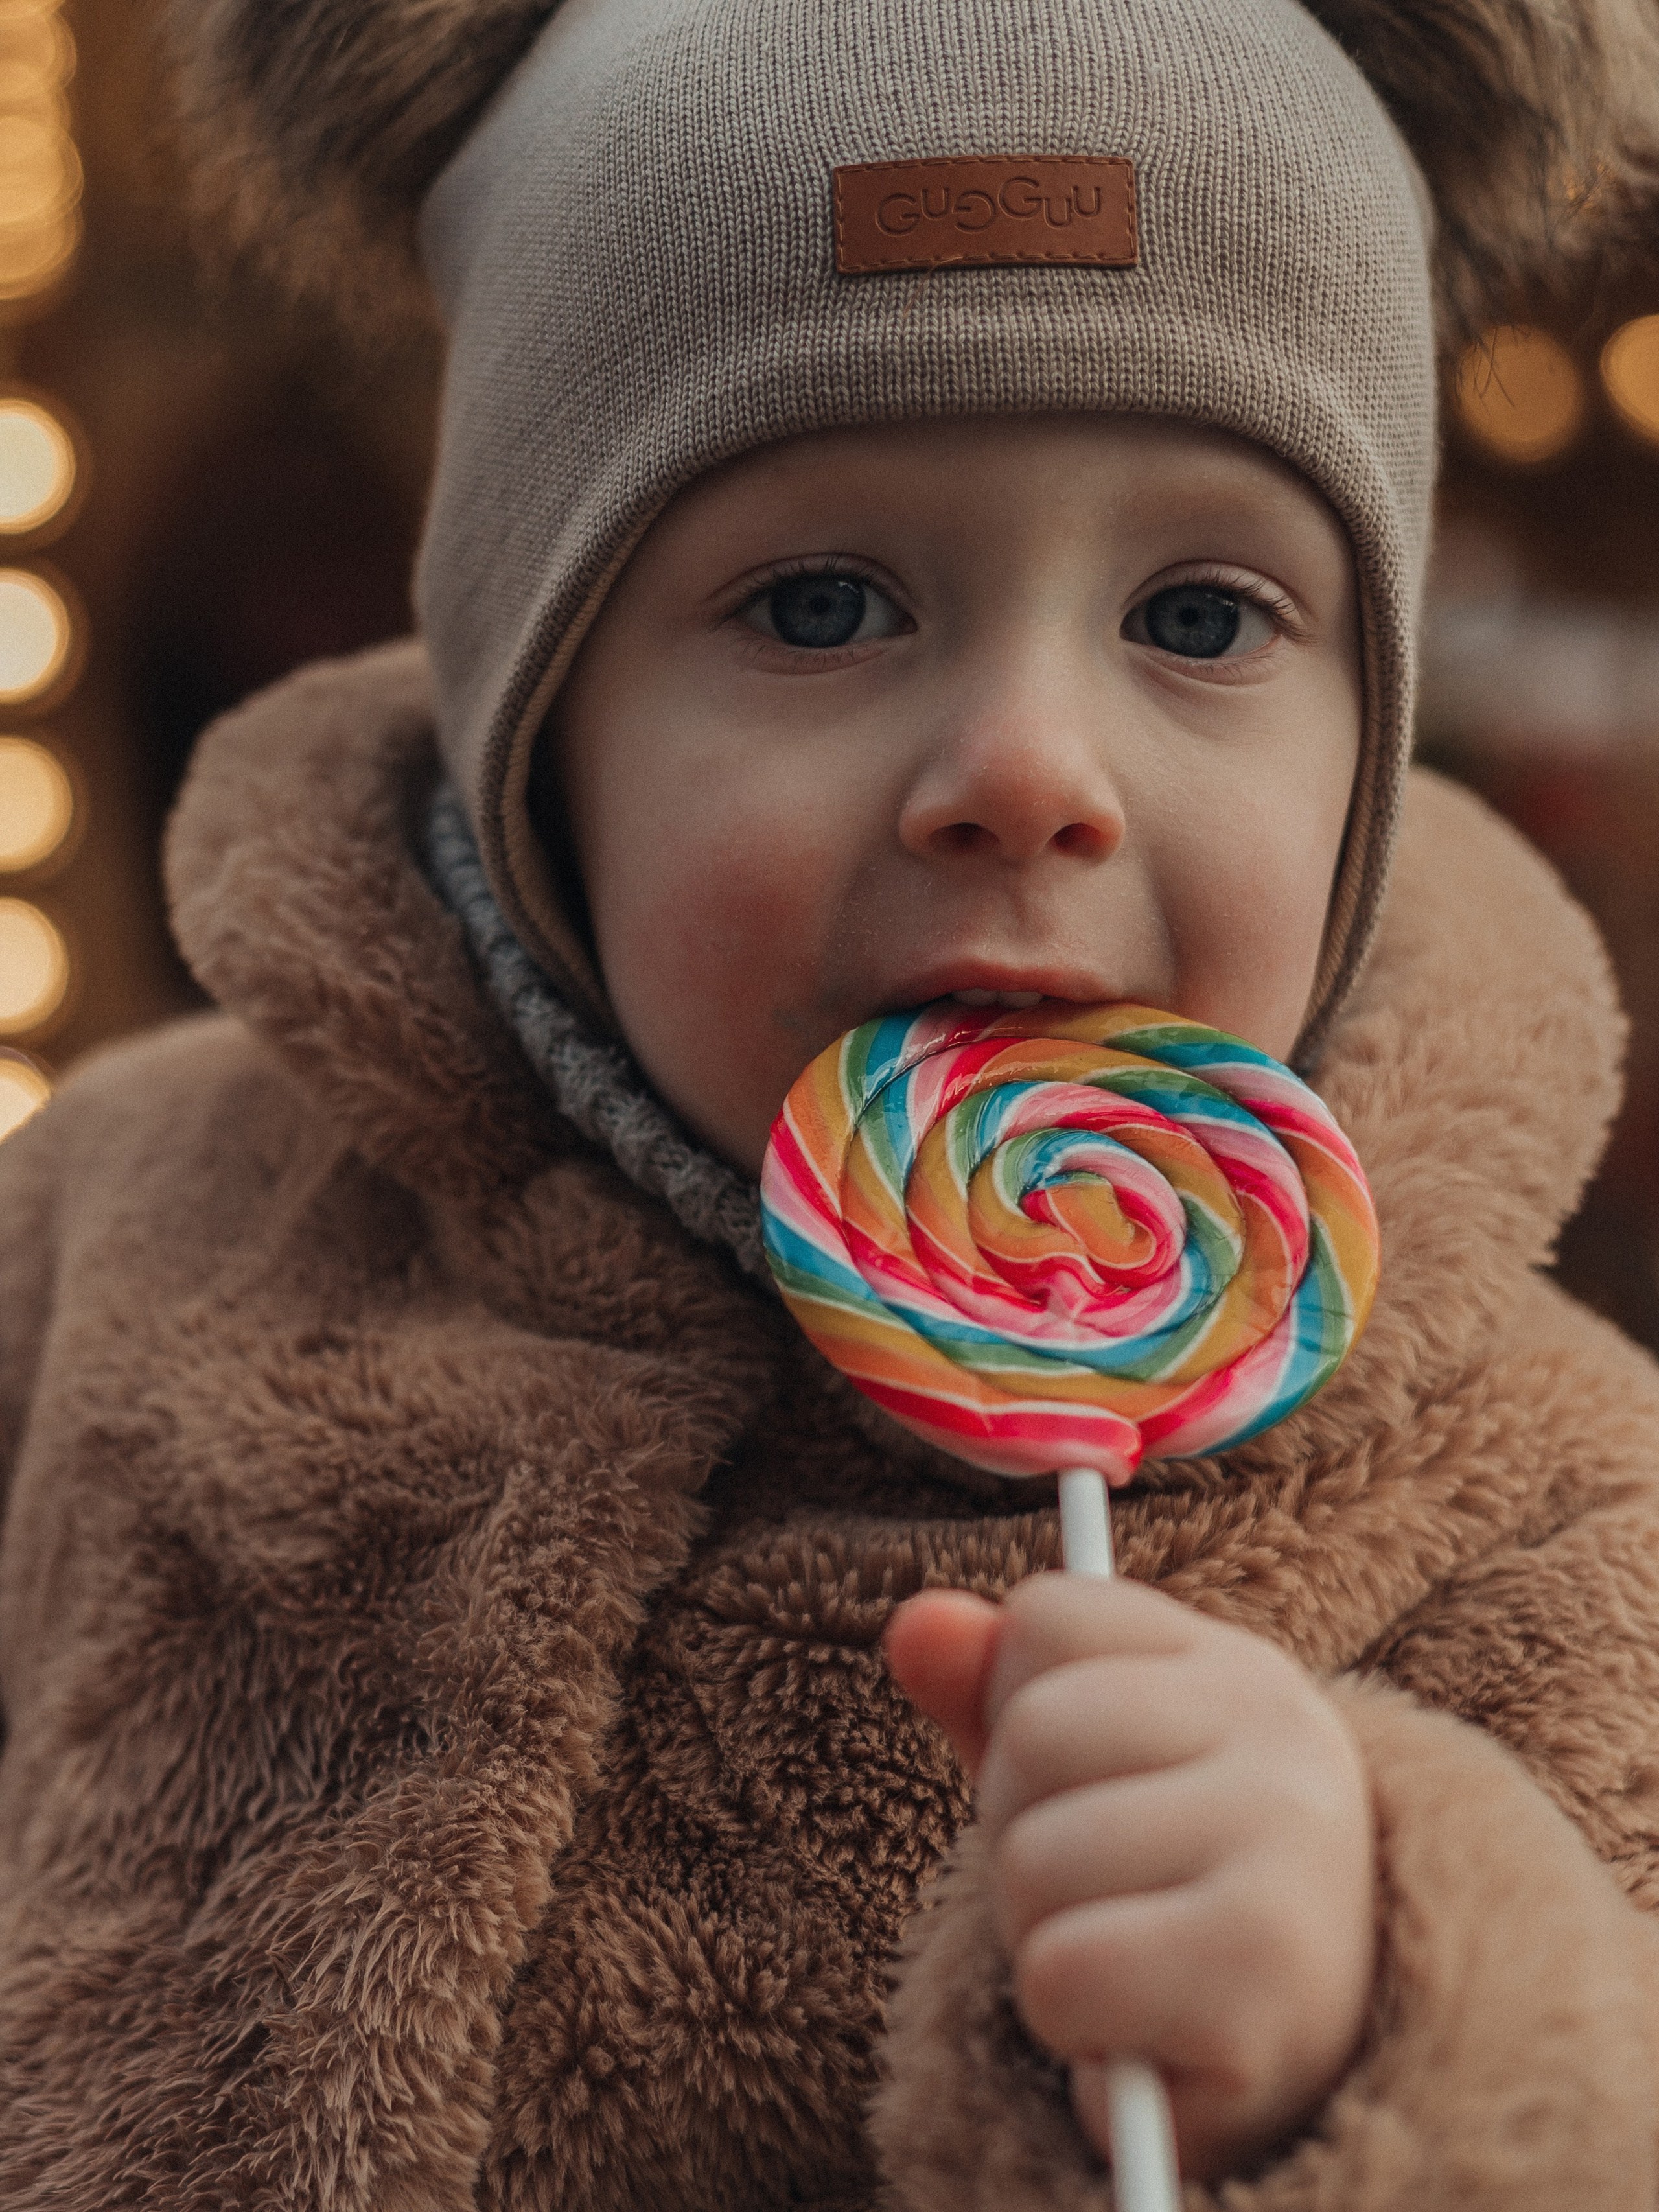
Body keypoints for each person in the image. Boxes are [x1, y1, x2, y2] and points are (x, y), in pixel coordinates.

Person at [3, 0, 1659, 2204]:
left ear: (1371, 738)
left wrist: (1378, 2033)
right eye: (817, 600)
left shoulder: (1558, 1517)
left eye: (1199, 611)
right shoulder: (105, 1244)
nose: (1030, 777)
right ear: (541, 717)